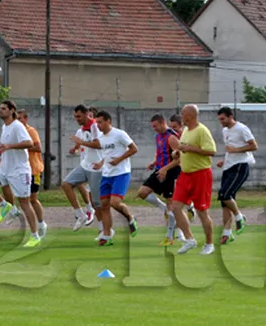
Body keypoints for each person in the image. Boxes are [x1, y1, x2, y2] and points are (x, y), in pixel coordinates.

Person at [0, 100, 42, 248]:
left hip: (19, 170)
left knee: (25, 203)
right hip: (5, 169)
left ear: (12, 110)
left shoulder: (17, 126)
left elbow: (29, 143)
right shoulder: (5, 127)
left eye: (4, 109)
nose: (1, 111)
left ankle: (35, 236)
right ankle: (3, 204)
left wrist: (10, 146)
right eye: (0, 108)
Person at [171, 104, 217, 255]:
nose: (181, 116)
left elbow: (211, 151)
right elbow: (184, 147)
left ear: (190, 115)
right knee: (176, 206)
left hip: (201, 174)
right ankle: (190, 240)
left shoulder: (202, 130)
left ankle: (209, 244)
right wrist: (178, 153)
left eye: (183, 113)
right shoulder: (185, 130)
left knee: (201, 210)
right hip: (185, 174)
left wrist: (190, 149)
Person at [91, 111, 138, 246]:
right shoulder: (101, 137)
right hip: (107, 174)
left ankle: (130, 217)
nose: (98, 125)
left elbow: (134, 149)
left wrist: (119, 160)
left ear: (108, 121)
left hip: (121, 173)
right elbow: (107, 153)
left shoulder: (119, 134)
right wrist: (101, 163)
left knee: (115, 203)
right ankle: (107, 236)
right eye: (96, 123)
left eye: (100, 122)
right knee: (104, 206)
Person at [137, 114, 185, 246]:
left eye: (155, 126)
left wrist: (165, 169)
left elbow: (179, 159)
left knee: (173, 205)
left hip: (171, 172)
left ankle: (170, 237)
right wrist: (154, 162)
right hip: (159, 170)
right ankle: (163, 208)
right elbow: (161, 153)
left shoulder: (172, 137)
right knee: (142, 192)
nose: (154, 128)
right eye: (152, 126)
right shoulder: (158, 136)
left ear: (163, 123)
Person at [216, 107, 258, 245]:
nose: (221, 122)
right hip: (228, 166)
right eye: (219, 119)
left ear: (230, 116)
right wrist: (225, 159)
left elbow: (254, 146)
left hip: (240, 166)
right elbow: (229, 148)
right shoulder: (225, 131)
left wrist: (237, 150)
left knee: (224, 194)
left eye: (223, 119)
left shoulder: (241, 128)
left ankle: (239, 216)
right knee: (225, 201)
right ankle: (227, 233)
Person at [63, 105, 102, 233]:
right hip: (85, 164)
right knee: (66, 184)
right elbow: (79, 144)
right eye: (75, 117)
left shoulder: (95, 126)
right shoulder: (82, 129)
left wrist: (81, 143)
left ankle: (104, 229)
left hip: (96, 168)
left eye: (79, 116)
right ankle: (80, 214)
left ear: (87, 115)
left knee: (97, 202)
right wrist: (75, 148)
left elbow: (98, 144)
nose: (77, 119)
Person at [18, 109, 48, 238]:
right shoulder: (16, 132)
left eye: (20, 118)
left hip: (33, 169)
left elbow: (38, 148)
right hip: (21, 169)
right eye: (16, 118)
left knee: (33, 198)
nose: (18, 121)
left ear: (25, 119)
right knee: (23, 199)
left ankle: (41, 224)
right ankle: (34, 227)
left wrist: (21, 146)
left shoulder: (31, 131)